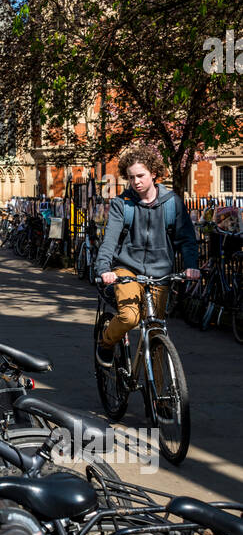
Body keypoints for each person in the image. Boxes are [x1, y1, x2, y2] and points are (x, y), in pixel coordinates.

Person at [93, 142, 200, 367]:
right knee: (130, 316)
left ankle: (162, 401)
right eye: (131, 177)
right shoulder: (122, 204)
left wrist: (191, 265)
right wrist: (104, 269)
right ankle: (106, 342)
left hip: (160, 272)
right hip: (127, 269)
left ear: (153, 173)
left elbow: (187, 240)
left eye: (140, 176)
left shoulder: (172, 203)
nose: (136, 182)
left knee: (156, 333)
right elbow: (110, 240)